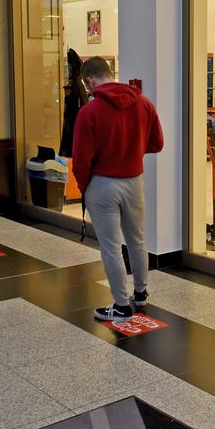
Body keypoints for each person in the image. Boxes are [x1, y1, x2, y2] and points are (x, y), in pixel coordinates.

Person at [72, 57, 163, 321]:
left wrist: (84, 188)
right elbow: (157, 143)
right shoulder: (144, 103)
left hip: (102, 184)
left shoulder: (89, 112)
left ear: (90, 80)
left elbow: (81, 161)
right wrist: (132, 152)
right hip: (134, 181)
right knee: (138, 240)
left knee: (111, 246)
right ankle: (141, 294)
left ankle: (121, 306)